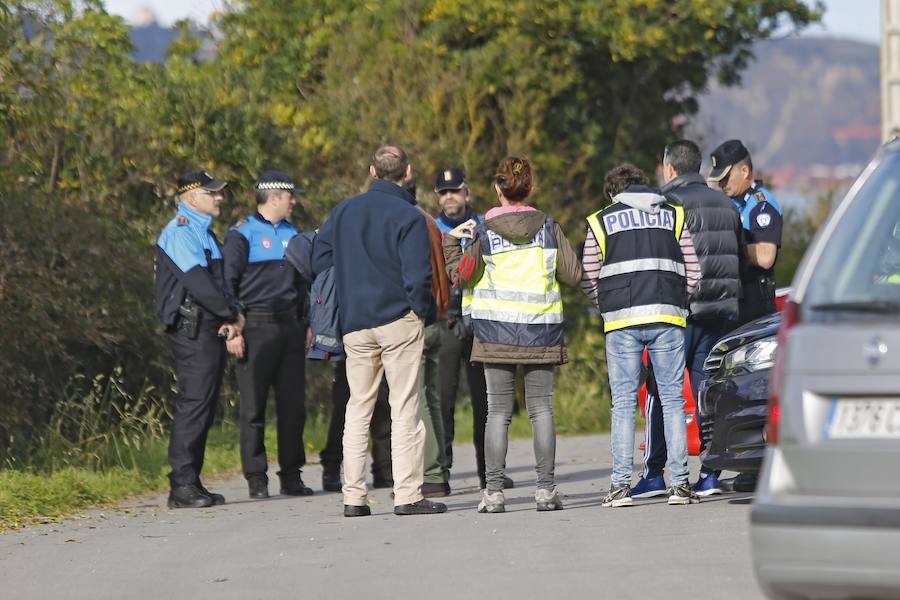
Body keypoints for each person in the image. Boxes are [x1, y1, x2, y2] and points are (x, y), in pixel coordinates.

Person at [312, 144, 446, 517]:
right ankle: (407, 495)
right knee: (404, 406)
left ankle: (353, 497)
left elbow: (318, 258)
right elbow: (418, 275)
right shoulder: (408, 214)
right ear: (407, 173)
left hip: (355, 322)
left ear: (372, 170)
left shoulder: (344, 211)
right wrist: (420, 312)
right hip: (397, 318)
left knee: (358, 408)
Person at [443, 157, 582, 513]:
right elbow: (573, 273)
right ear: (530, 188)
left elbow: (463, 277)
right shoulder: (549, 228)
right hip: (541, 332)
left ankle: (493, 493)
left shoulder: (483, 233)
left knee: (498, 412)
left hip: (495, 334)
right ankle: (546, 490)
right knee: (541, 409)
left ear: (497, 190)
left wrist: (448, 244)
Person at [581, 164, 700, 507]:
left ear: (612, 194)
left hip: (621, 321)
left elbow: (589, 275)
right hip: (668, 315)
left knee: (623, 403)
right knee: (674, 401)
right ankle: (679, 485)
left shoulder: (601, 220)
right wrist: (680, 300)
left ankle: (620, 487)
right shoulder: (673, 215)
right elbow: (694, 270)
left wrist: (606, 306)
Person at [632, 141, 743, 500]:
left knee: (659, 390)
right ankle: (710, 473)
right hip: (722, 312)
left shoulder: (666, 204)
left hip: (680, 311)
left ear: (669, 168)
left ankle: (653, 472)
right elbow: (739, 255)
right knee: (708, 391)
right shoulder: (727, 203)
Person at [154, 170, 244, 509]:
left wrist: (232, 313)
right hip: (191, 330)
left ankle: (192, 480)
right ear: (191, 197)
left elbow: (220, 284)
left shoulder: (203, 233)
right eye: (212, 193)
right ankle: (181, 485)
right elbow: (201, 286)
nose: (219, 198)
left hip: (207, 327)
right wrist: (231, 315)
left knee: (205, 403)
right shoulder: (180, 233)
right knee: (194, 403)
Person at [222, 170, 313, 499]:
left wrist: (308, 323)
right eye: (290, 196)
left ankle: (291, 476)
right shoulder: (241, 234)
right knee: (253, 407)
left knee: (293, 406)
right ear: (274, 197)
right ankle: (256, 478)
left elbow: (305, 284)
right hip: (255, 327)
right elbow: (227, 284)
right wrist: (233, 327)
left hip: (290, 327)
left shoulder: (295, 234)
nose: (294, 202)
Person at [433, 167, 513, 491]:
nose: (449, 197)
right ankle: (440, 473)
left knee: (487, 401)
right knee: (442, 401)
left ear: (467, 193)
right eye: (443, 192)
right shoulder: (431, 228)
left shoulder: (485, 226)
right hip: (446, 322)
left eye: (455, 190)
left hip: (481, 322)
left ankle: (488, 471)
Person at [405, 176, 453, 497]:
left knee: (417, 398)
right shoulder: (430, 221)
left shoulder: (407, 223)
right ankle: (441, 467)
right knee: (431, 396)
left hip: (420, 318)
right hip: (439, 316)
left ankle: (433, 473)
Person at [707, 140, 783, 325]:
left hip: (755, 303)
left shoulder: (761, 205)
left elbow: (766, 256)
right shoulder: (729, 204)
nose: (721, 184)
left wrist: (726, 248)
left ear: (744, 171)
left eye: (725, 177)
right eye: (719, 179)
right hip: (731, 301)